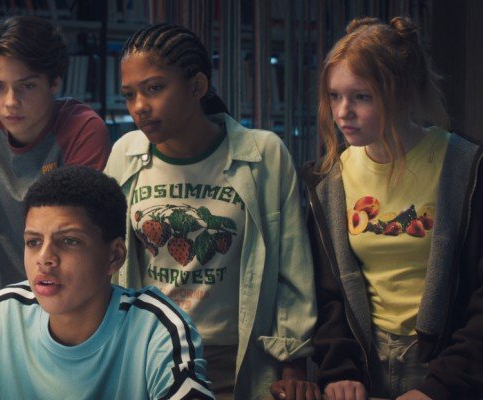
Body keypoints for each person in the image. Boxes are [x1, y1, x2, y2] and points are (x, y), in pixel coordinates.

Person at [104, 23, 319, 400]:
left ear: (197, 86)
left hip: (239, 360)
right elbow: (108, 264)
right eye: (129, 94)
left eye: (154, 88)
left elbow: (293, 266)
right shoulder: (125, 154)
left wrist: (293, 362)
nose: (139, 107)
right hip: (151, 354)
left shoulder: (263, 155)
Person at [302, 16, 483, 400]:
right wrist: (340, 370)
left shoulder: (466, 168)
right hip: (363, 366)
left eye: (361, 96)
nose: (343, 112)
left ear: (402, 92)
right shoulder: (329, 179)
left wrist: (441, 386)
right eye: (334, 96)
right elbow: (327, 292)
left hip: (446, 367)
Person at [0, 165, 215, 400]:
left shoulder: (156, 329)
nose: (44, 259)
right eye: (33, 242)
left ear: (114, 257)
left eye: (69, 241)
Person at [0, 16, 111, 352]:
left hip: (79, 318)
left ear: (54, 82)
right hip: (12, 311)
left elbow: (77, 244)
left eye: (26, 86)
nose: (10, 102)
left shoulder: (83, 130)